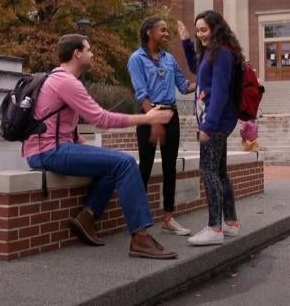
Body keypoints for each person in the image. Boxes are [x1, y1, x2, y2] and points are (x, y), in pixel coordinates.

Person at [23, 34, 177, 259]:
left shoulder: (58, 79)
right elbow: (101, 119)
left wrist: (96, 152)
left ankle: (86, 216)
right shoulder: (65, 81)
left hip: (49, 149)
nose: (92, 54)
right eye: (88, 49)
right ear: (77, 53)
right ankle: (140, 238)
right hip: (49, 152)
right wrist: (148, 118)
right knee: (124, 162)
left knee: (114, 162)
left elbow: (65, 128)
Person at [177, 11, 242, 246]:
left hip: (215, 122)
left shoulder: (223, 54)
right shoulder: (212, 53)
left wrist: (208, 126)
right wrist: (185, 41)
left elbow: (221, 92)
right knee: (220, 172)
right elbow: (197, 68)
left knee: (208, 171)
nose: (200, 34)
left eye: (204, 29)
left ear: (216, 29)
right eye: (198, 30)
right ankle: (231, 222)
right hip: (215, 121)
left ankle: (215, 227)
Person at [127, 17, 196, 237]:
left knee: (169, 167)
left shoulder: (169, 59)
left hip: (171, 115)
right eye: (162, 30)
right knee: (145, 167)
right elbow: (141, 94)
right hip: (149, 116)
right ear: (149, 32)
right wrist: (153, 119)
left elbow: (184, 87)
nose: (167, 33)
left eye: (167, 30)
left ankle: (168, 218)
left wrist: (206, 79)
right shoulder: (136, 59)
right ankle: (138, 221)